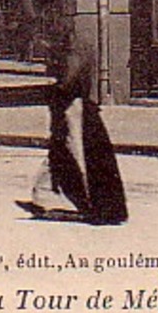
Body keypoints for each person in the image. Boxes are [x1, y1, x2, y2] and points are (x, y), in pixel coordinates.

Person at [21, 30, 127, 225]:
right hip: (80, 106)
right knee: (62, 151)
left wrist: (56, 88)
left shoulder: (73, 53)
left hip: (73, 106)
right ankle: (44, 196)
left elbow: (69, 79)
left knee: (76, 155)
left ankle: (93, 203)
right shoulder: (83, 47)